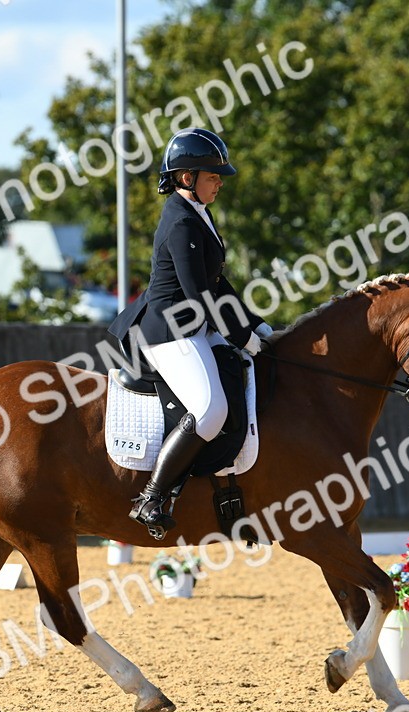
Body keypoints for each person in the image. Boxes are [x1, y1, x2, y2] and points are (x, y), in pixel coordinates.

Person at [107, 127, 273, 537]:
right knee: (210, 409)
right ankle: (152, 496)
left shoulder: (199, 212)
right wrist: (241, 337)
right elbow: (200, 295)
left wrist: (255, 324)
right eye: (213, 176)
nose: (220, 182)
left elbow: (217, 282)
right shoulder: (180, 221)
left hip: (194, 322)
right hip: (171, 330)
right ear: (186, 178)